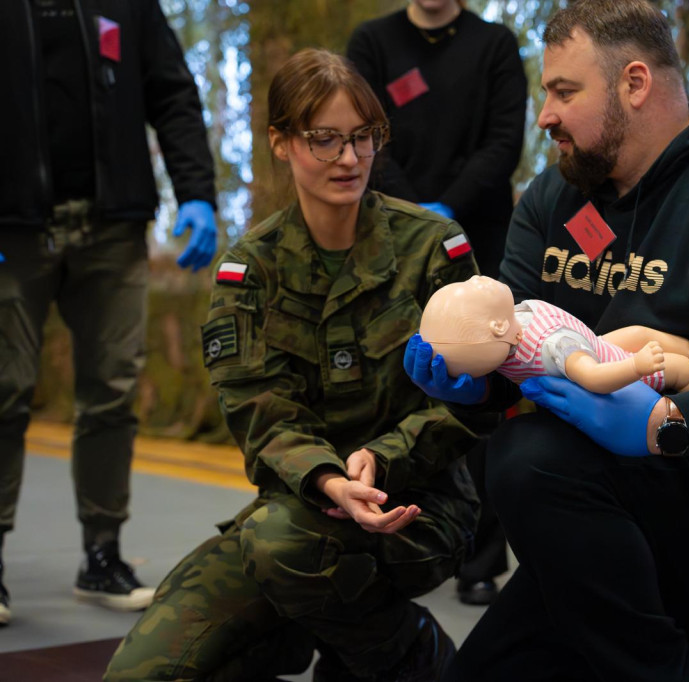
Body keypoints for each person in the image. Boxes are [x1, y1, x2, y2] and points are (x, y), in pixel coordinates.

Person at [404, 0, 689, 680]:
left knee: (530, 458)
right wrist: (471, 383)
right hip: (592, 512)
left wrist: (674, 422)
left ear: (634, 83)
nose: (545, 116)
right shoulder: (553, 200)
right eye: (546, 94)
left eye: (564, 91)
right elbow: (514, 353)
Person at [104, 48, 480, 682]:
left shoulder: (432, 250)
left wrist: (383, 458)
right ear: (281, 143)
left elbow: (473, 399)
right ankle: (322, 631)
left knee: (282, 549)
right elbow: (261, 413)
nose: (350, 159)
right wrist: (332, 481)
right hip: (299, 511)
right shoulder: (250, 270)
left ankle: (407, 653)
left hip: (419, 509)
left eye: (364, 138)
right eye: (324, 140)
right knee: (147, 670)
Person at [0, 0, 217, 625]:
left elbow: (174, 95)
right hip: (12, 231)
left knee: (113, 393)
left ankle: (102, 554)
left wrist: (198, 194)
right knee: (4, 390)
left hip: (113, 229)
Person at [347, 0, 528, 606]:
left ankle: (479, 558)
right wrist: (417, 215)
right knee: (397, 379)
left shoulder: (495, 44)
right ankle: (393, 537)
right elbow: (365, 138)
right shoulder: (372, 43)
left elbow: (504, 141)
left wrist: (448, 210)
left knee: (482, 387)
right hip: (388, 236)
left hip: (479, 239)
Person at [417, 274, 689, 393]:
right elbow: (592, 378)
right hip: (613, 370)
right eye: (471, 288)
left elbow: (476, 349)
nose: (473, 277)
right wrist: (636, 366)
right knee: (680, 368)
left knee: (641, 331)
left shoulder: (508, 327)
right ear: (497, 326)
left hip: (595, 344)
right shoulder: (552, 347)